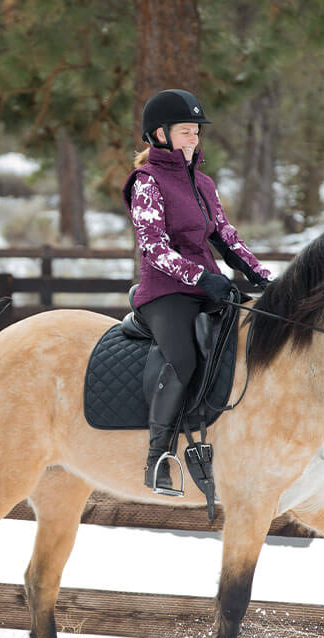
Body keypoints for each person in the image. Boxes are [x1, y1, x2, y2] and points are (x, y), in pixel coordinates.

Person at [123, 88, 271, 495]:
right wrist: (201, 277)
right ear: (160, 134)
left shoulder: (203, 183)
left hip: (208, 285)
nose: (194, 139)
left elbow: (224, 234)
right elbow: (154, 247)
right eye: (186, 131)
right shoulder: (146, 183)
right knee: (183, 360)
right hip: (165, 291)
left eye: (196, 132)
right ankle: (157, 458)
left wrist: (257, 273)